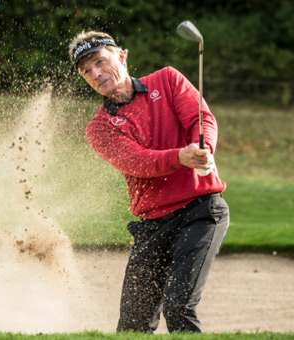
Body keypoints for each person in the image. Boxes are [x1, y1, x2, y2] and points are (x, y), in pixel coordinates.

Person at [68, 31, 230, 333]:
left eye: (100, 62)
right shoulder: (99, 128)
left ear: (122, 56)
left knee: (179, 305)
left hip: (200, 213)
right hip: (152, 225)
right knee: (132, 325)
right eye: (86, 71)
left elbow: (201, 119)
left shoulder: (167, 80)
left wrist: (203, 145)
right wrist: (181, 157)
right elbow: (137, 162)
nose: (96, 73)